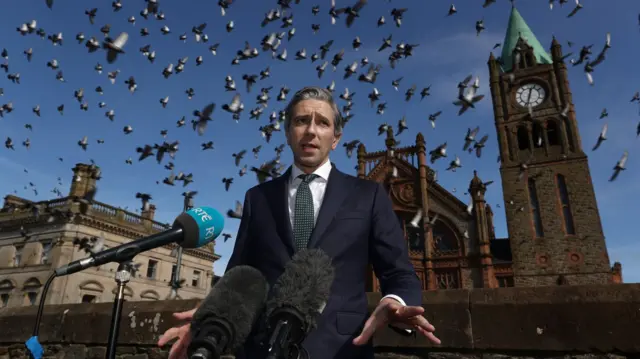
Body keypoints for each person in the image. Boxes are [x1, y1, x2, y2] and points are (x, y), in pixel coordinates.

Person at [157, 86, 440, 359]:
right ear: (288, 133)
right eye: (301, 121)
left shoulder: (368, 196)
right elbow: (241, 275)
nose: (311, 131)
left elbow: (399, 272)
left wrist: (395, 302)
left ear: (336, 137)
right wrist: (213, 314)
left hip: (341, 348)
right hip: (261, 348)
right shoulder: (258, 197)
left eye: (322, 123)